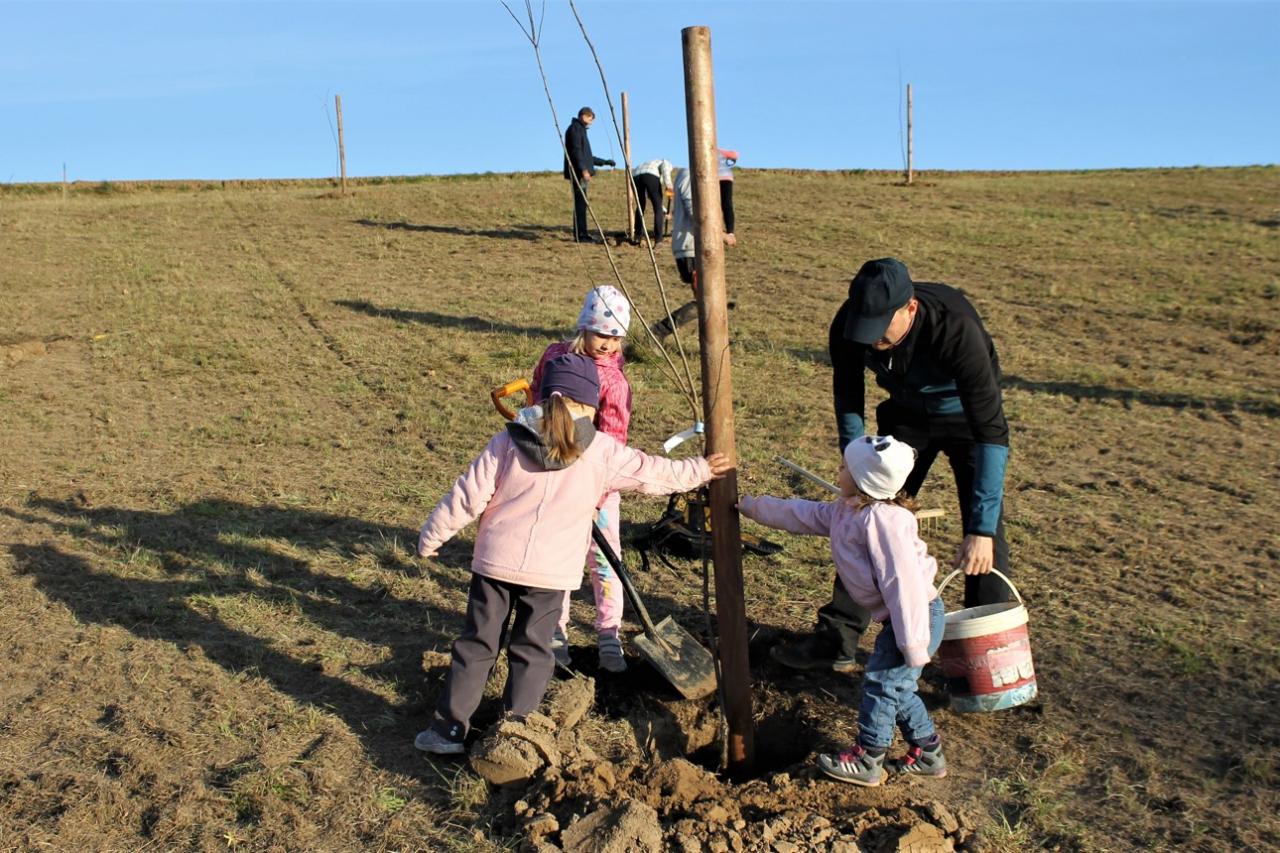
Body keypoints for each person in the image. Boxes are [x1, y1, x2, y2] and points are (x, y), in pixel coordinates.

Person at [414, 353, 730, 755]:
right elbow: (653, 473)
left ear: (543, 396)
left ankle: (447, 732)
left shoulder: (509, 440)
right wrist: (702, 469)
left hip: (495, 566)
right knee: (533, 650)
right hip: (551, 576)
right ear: (592, 406)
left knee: (477, 644)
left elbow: (467, 495)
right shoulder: (602, 451)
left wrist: (432, 537)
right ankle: (515, 737)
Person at [771, 257, 1012, 673]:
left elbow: (992, 431)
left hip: (968, 420)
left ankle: (984, 660)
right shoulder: (850, 325)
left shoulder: (956, 329)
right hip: (905, 417)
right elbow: (848, 396)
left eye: (881, 328)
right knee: (864, 515)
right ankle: (837, 639)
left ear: (910, 308)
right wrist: (856, 466)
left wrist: (982, 529)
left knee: (985, 537)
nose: (872, 340)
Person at [740, 435, 948, 786]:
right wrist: (750, 506)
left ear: (866, 480)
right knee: (898, 688)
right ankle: (928, 753)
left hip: (915, 616)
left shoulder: (886, 523)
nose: (838, 469)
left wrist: (912, 643)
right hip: (900, 618)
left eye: (845, 467)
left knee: (882, 684)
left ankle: (869, 757)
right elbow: (800, 514)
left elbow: (904, 583)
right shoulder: (847, 510)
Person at [529, 285, 633, 673]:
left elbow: (615, 440)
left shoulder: (614, 382)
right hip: (554, 473)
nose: (608, 344)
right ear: (584, 328)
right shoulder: (554, 357)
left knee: (604, 560)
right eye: (602, 334)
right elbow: (535, 399)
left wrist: (597, 495)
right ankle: (556, 631)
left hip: (597, 484)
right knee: (559, 556)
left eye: (616, 337)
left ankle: (609, 633)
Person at [563, 107, 615, 243]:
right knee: (580, 204)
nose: (591, 122)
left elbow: (587, 156)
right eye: (590, 119)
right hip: (578, 173)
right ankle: (581, 235)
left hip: (580, 171)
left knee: (582, 203)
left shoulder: (580, 130)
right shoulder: (575, 129)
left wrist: (604, 162)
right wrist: (583, 170)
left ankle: (583, 233)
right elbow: (576, 152)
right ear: (584, 116)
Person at [630, 158, 674, 243]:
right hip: (649, 176)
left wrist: (664, 211)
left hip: (634, 177)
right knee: (657, 208)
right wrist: (669, 186)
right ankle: (658, 239)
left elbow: (650, 195)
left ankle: (637, 236)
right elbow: (665, 170)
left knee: (640, 205)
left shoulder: (651, 164)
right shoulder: (665, 162)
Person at [717, 148, 739, 246]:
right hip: (712, 179)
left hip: (724, 178)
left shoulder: (718, 150)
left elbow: (734, 155)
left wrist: (724, 153)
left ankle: (730, 231)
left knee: (726, 204)